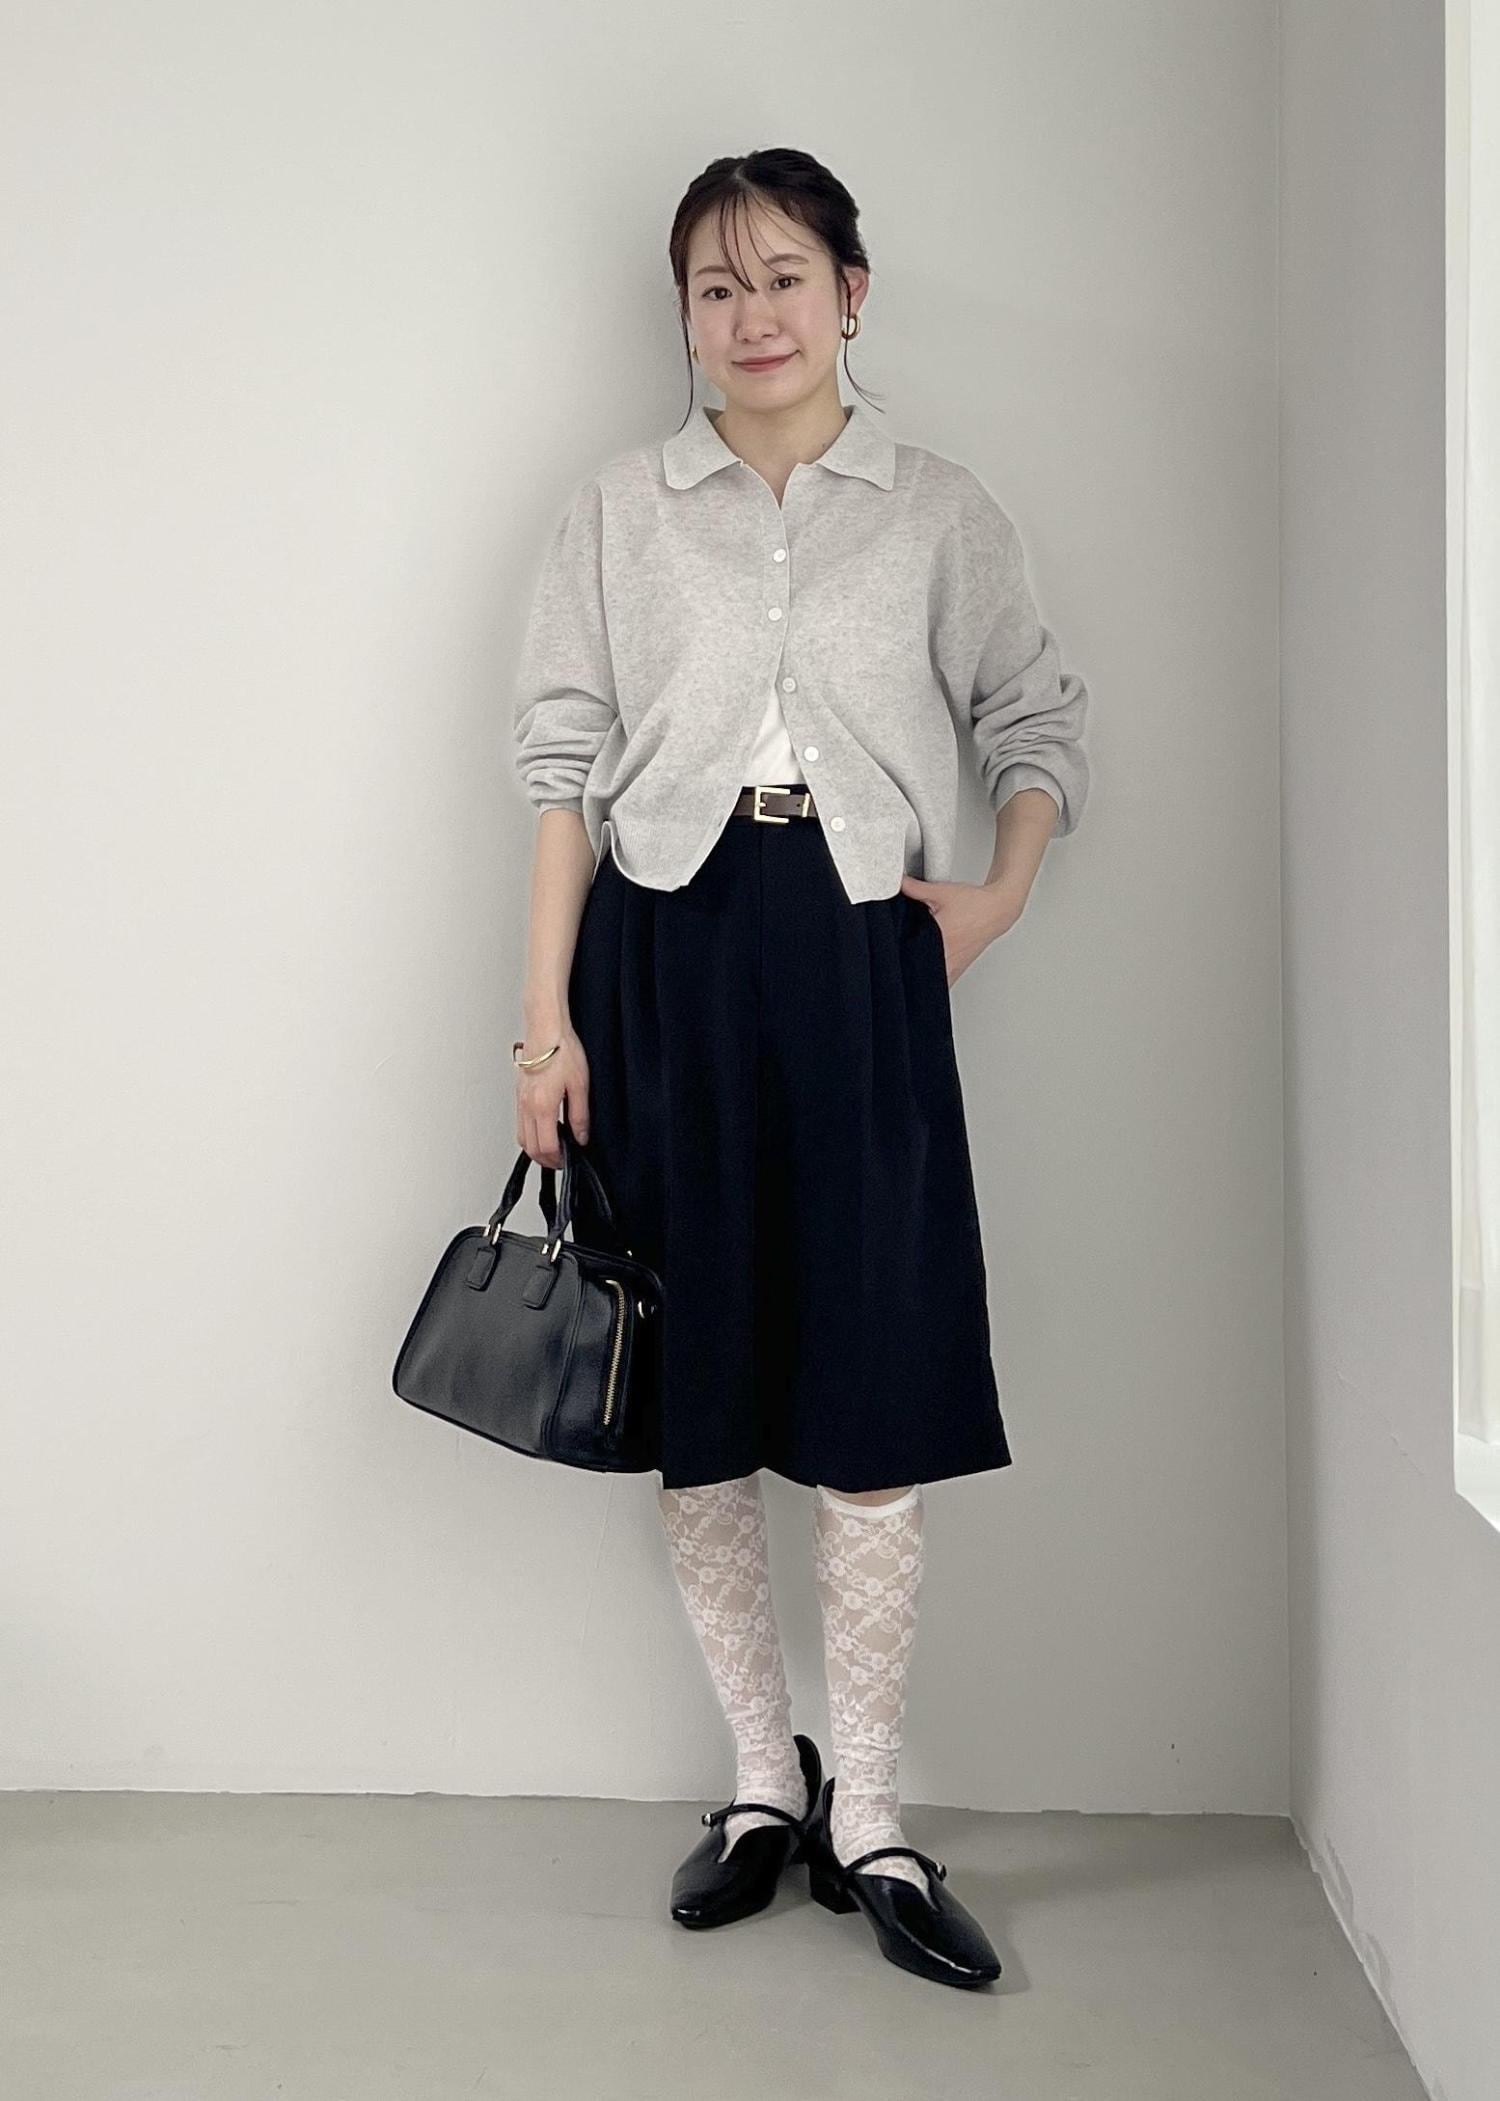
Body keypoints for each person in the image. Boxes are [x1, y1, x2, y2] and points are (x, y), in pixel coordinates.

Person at [509, 148, 1090, 1992]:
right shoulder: (618, 511)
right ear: (683, 316)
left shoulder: (937, 510)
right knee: (699, 1379)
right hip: (662, 957)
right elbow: (562, 770)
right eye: (714, 285)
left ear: (852, 291)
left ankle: (877, 1815)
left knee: (874, 1372)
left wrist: (995, 896)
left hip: (860, 951)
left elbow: (1035, 715)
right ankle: (767, 1780)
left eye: (781, 276)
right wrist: (546, 1022)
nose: (749, 315)